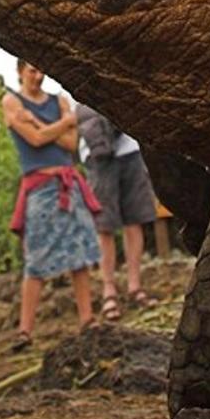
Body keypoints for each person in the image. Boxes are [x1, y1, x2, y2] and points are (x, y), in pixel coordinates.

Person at [4, 60, 102, 349]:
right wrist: (60, 124)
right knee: (36, 258)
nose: (38, 75)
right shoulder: (11, 101)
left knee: (80, 253)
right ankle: (25, 330)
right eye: (32, 70)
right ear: (20, 71)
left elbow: (71, 144)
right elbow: (34, 140)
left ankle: (87, 318)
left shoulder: (59, 99)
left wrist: (37, 123)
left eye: (41, 70)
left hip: (68, 183)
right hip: (39, 187)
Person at [75, 104, 160, 322]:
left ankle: (135, 286)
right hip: (97, 153)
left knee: (135, 220)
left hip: (130, 150)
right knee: (105, 226)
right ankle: (109, 291)